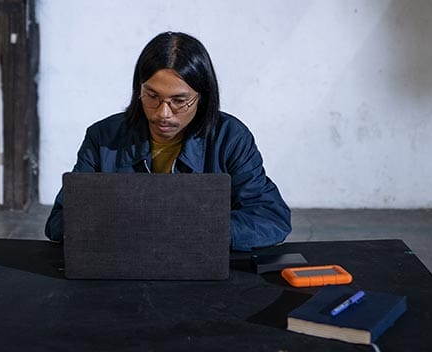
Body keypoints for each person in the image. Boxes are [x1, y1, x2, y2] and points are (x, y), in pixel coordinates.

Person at [44, 31, 291, 251]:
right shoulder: (103, 137)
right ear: (138, 89)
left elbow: (270, 218)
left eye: (179, 101)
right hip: (122, 264)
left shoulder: (230, 138)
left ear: (202, 97)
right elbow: (60, 220)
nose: (163, 113)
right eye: (152, 96)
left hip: (199, 265)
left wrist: (195, 232)